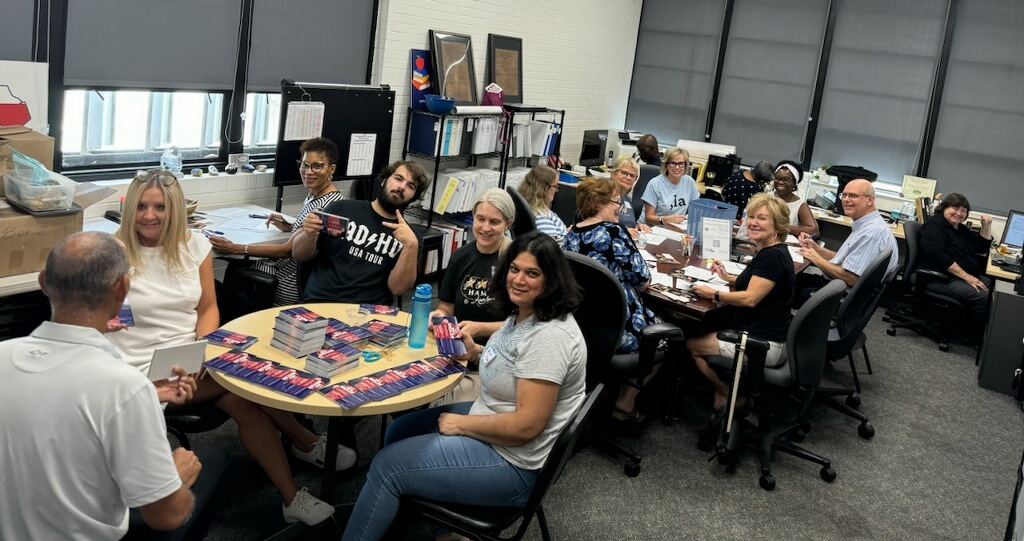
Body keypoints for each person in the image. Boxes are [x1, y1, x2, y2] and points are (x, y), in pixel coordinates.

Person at [107, 169, 343, 526]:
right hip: (138, 370)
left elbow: (207, 308)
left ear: (175, 209)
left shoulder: (194, 245)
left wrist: (203, 348)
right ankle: (304, 442)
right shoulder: (114, 251)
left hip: (189, 357)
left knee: (242, 400)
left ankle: (292, 494)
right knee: (244, 380)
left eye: (160, 207)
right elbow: (105, 321)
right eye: (141, 206)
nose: (149, 215)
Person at [341, 231, 587, 541]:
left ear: (551, 280)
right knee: (399, 431)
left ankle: (406, 509)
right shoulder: (527, 313)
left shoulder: (549, 338)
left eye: (532, 273)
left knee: (386, 467)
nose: (519, 280)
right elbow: (515, 366)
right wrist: (476, 353)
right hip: (494, 419)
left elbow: (527, 425)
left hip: (514, 464)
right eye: (514, 269)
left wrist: (462, 425)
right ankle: (431, 520)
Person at [0, 231, 227, 540]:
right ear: (122, 288)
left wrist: (147, 393)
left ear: (43, 282)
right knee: (213, 460)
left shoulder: (5, 356)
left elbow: (58, 405)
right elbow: (166, 516)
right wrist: (177, 476)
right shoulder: (125, 388)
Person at [687, 194, 795, 412]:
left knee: (692, 345)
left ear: (777, 225)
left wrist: (715, 294)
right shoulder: (770, 250)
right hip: (768, 334)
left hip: (762, 345)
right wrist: (727, 278)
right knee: (708, 325)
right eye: (751, 217)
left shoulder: (772, 257)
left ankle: (730, 393)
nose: (754, 222)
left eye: (762, 218)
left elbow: (751, 298)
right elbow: (758, 282)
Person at [562, 176, 657, 423]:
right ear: (597, 203)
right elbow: (643, 282)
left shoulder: (572, 234)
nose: (620, 208)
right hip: (620, 327)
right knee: (665, 338)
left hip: (583, 325)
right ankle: (626, 400)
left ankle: (603, 391)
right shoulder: (614, 232)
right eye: (616, 202)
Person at [208, 137, 344, 307]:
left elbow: (286, 251)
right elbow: (311, 236)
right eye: (304, 165)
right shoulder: (319, 195)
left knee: (216, 286)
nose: (308, 172)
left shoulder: (326, 207)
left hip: (288, 282)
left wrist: (235, 248)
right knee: (234, 271)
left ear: (331, 169)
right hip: (286, 271)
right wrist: (291, 227)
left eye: (317, 166)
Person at [292, 160, 428, 304]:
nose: (401, 187)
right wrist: (309, 234)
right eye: (398, 178)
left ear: (414, 197)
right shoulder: (341, 209)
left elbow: (397, 289)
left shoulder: (411, 238)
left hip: (370, 311)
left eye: (410, 186)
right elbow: (299, 255)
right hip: (322, 302)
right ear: (384, 181)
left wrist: (411, 246)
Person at [429, 188, 517, 404]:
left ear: (508, 224)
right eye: (480, 219)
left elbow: (522, 325)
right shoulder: (460, 256)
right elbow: (446, 306)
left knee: (439, 402)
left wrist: (480, 328)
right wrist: (439, 315)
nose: (485, 228)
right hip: (455, 351)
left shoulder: (515, 263)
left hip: (494, 358)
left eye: (494, 222)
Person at [794, 178, 899, 305]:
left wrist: (815, 258)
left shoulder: (869, 233)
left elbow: (851, 278)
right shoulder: (868, 223)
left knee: (783, 288)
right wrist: (816, 248)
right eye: (844, 195)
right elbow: (845, 260)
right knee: (790, 279)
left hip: (841, 296)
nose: (846, 200)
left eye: (853, 196)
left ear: (870, 200)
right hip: (840, 287)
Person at [918, 193, 994, 318]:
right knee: (987, 298)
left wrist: (986, 226)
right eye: (955, 208)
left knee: (995, 288)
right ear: (944, 208)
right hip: (940, 278)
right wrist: (968, 277)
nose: (959, 213)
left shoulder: (960, 229)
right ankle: (972, 329)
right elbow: (937, 256)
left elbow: (982, 247)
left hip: (958, 275)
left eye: (963, 210)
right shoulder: (934, 224)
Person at [640, 146, 700, 226]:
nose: (677, 167)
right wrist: (665, 220)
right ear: (666, 165)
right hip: (650, 228)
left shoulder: (690, 182)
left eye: (681, 163)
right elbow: (649, 217)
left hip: (675, 228)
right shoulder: (654, 184)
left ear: (685, 165)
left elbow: (696, 210)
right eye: (673, 163)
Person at [517, 164, 568, 242]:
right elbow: (549, 247)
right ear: (545, 188)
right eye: (555, 186)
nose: (556, 190)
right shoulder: (542, 218)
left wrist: (567, 232)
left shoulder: (529, 206)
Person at [770, 160, 819, 237]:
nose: (780, 182)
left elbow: (814, 231)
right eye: (777, 178)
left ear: (794, 183)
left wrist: (783, 227)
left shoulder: (800, 205)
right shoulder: (766, 197)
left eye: (786, 179)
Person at [609, 155, 652, 237]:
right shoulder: (603, 196)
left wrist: (638, 227)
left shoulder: (626, 199)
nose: (628, 178)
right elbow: (598, 225)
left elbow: (630, 224)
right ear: (613, 173)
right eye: (624, 173)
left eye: (632, 176)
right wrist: (623, 231)